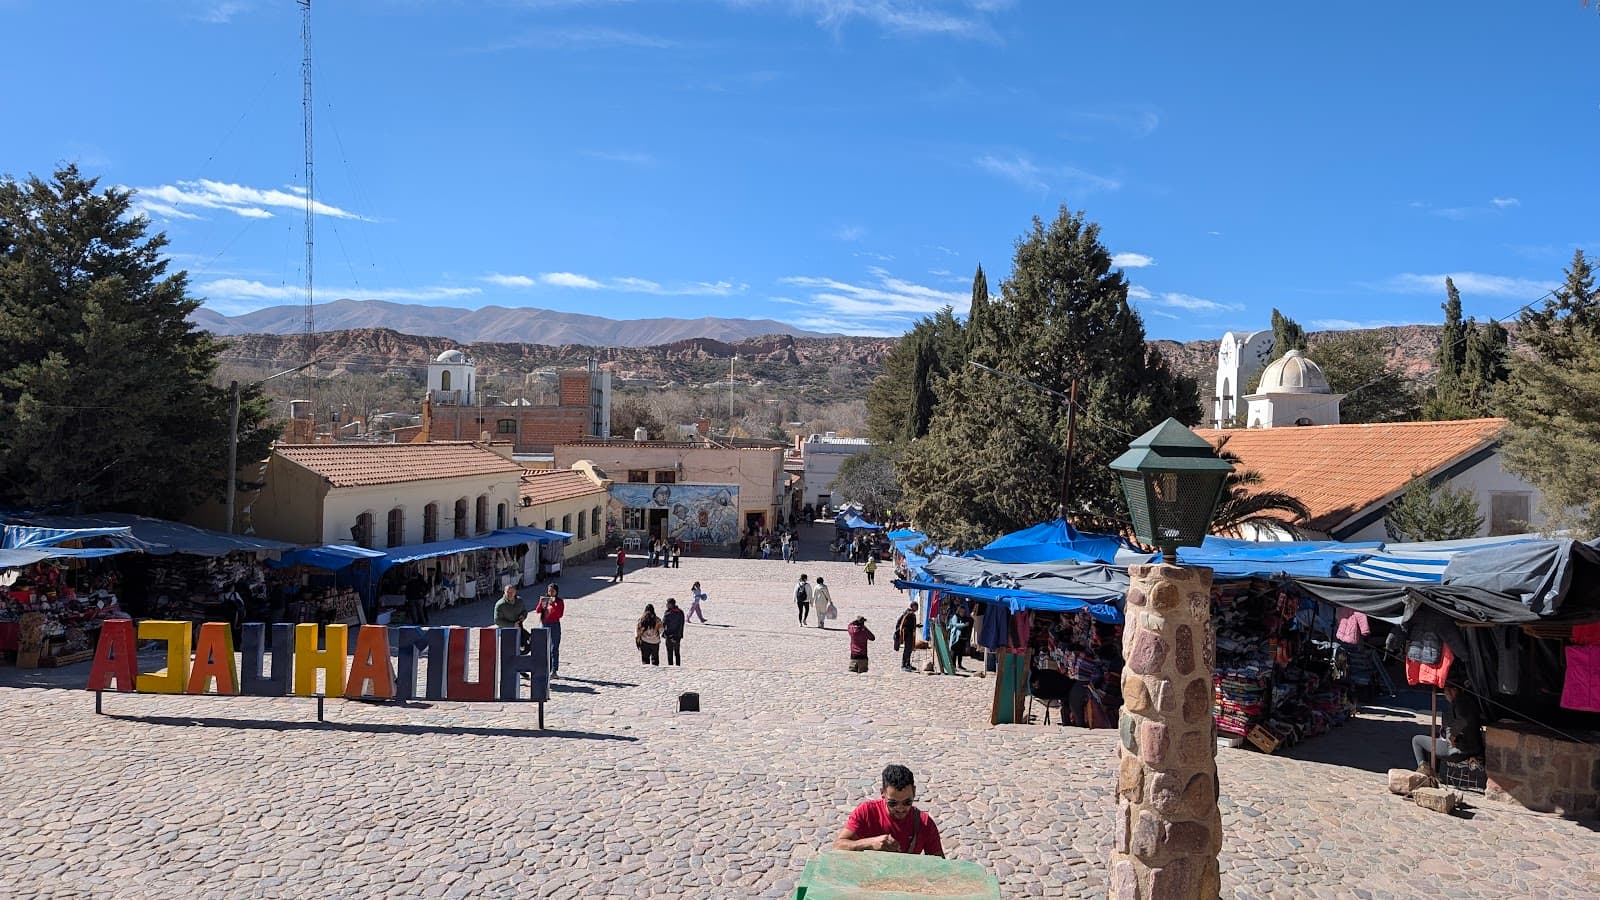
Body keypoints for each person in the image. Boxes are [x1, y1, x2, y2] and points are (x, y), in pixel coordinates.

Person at [833, 764, 944, 857]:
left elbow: (939, 865)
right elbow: (838, 846)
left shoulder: (924, 823)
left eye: (907, 802)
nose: (900, 808)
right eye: (893, 803)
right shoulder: (866, 812)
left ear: (914, 792)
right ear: (882, 793)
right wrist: (870, 843)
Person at [1412, 679, 1485, 775]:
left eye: (1446, 692)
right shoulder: (1470, 701)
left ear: (1454, 690)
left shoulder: (1459, 702)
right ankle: (1434, 774)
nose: (1446, 696)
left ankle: (1424, 772)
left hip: (1458, 751)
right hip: (1475, 748)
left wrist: (1452, 736)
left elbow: (1463, 720)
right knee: (1432, 737)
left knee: (1417, 740)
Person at [534, 584, 565, 678]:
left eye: (552, 591)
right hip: (544, 624)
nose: (550, 593)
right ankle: (545, 668)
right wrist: (541, 603)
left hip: (555, 625)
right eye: (549, 591)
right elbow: (538, 610)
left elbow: (559, 615)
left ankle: (554, 670)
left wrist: (554, 604)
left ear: (556, 592)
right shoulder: (545, 600)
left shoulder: (559, 601)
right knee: (544, 647)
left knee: (554, 647)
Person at [948, 602, 973, 672]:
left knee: (960, 652)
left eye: (964, 612)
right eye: (961, 611)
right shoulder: (955, 617)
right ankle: (953, 666)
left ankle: (959, 665)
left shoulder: (965, 618)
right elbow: (955, 624)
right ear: (959, 611)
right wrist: (963, 625)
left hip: (963, 637)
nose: (963, 613)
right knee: (954, 652)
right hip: (956, 637)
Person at [895, 601, 919, 672]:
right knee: (907, 649)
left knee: (909, 649)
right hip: (907, 635)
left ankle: (908, 664)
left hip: (910, 634)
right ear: (912, 606)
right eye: (916, 606)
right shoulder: (909, 614)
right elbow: (905, 625)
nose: (917, 608)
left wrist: (916, 626)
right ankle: (904, 665)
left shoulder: (910, 613)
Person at [662, 598, 685, 666]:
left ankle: (670, 666)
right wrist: (680, 634)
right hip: (677, 636)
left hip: (669, 635)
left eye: (667, 604)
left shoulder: (668, 613)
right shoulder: (680, 612)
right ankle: (678, 665)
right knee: (677, 652)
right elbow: (682, 624)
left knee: (670, 652)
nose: (666, 605)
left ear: (671, 604)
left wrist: (664, 633)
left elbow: (663, 623)